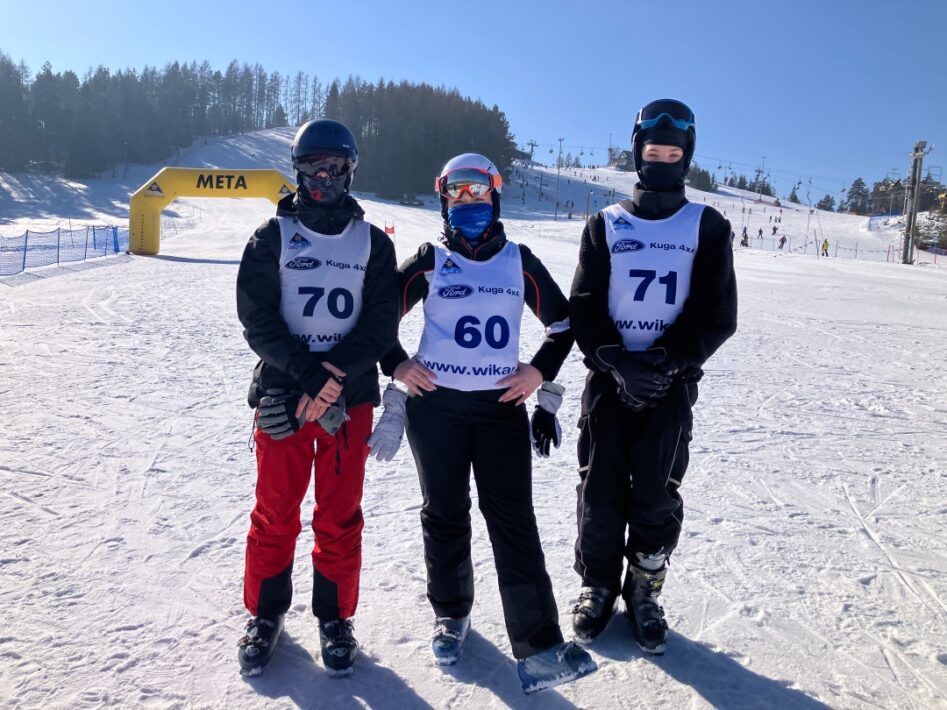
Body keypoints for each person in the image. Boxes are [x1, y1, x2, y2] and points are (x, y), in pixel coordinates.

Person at [373, 153, 597, 694]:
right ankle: (451, 615)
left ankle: (540, 647)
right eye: (458, 194)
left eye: (479, 193)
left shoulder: (519, 260)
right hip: (437, 409)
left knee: (513, 521)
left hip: (499, 411)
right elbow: (376, 313)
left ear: (495, 197)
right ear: (444, 200)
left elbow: (564, 324)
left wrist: (538, 372)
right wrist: (396, 364)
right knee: (445, 513)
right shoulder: (430, 259)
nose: (469, 203)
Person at [568, 99, 737, 655]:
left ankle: (645, 587)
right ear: (637, 153)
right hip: (610, 381)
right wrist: (617, 360)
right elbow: (586, 303)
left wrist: (665, 363)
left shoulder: (707, 226)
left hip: (669, 386)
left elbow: (716, 314)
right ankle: (596, 583)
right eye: (652, 151)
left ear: (686, 157)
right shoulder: (606, 223)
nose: (661, 160)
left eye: (672, 152)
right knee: (600, 485)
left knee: (656, 489)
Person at [235, 119, 399, 677]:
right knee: (275, 513)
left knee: (339, 516)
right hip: (286, 395)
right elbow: (257, 321)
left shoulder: (374, 243)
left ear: (350, 170)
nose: (322, 177)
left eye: (333, 167)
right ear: (297, 170)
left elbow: (379, 325)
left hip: (347, 403)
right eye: (311, 167)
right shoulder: (270, 236)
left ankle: (334, 617)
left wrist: (333, 379)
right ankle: (264, 614)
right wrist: (308, 377)